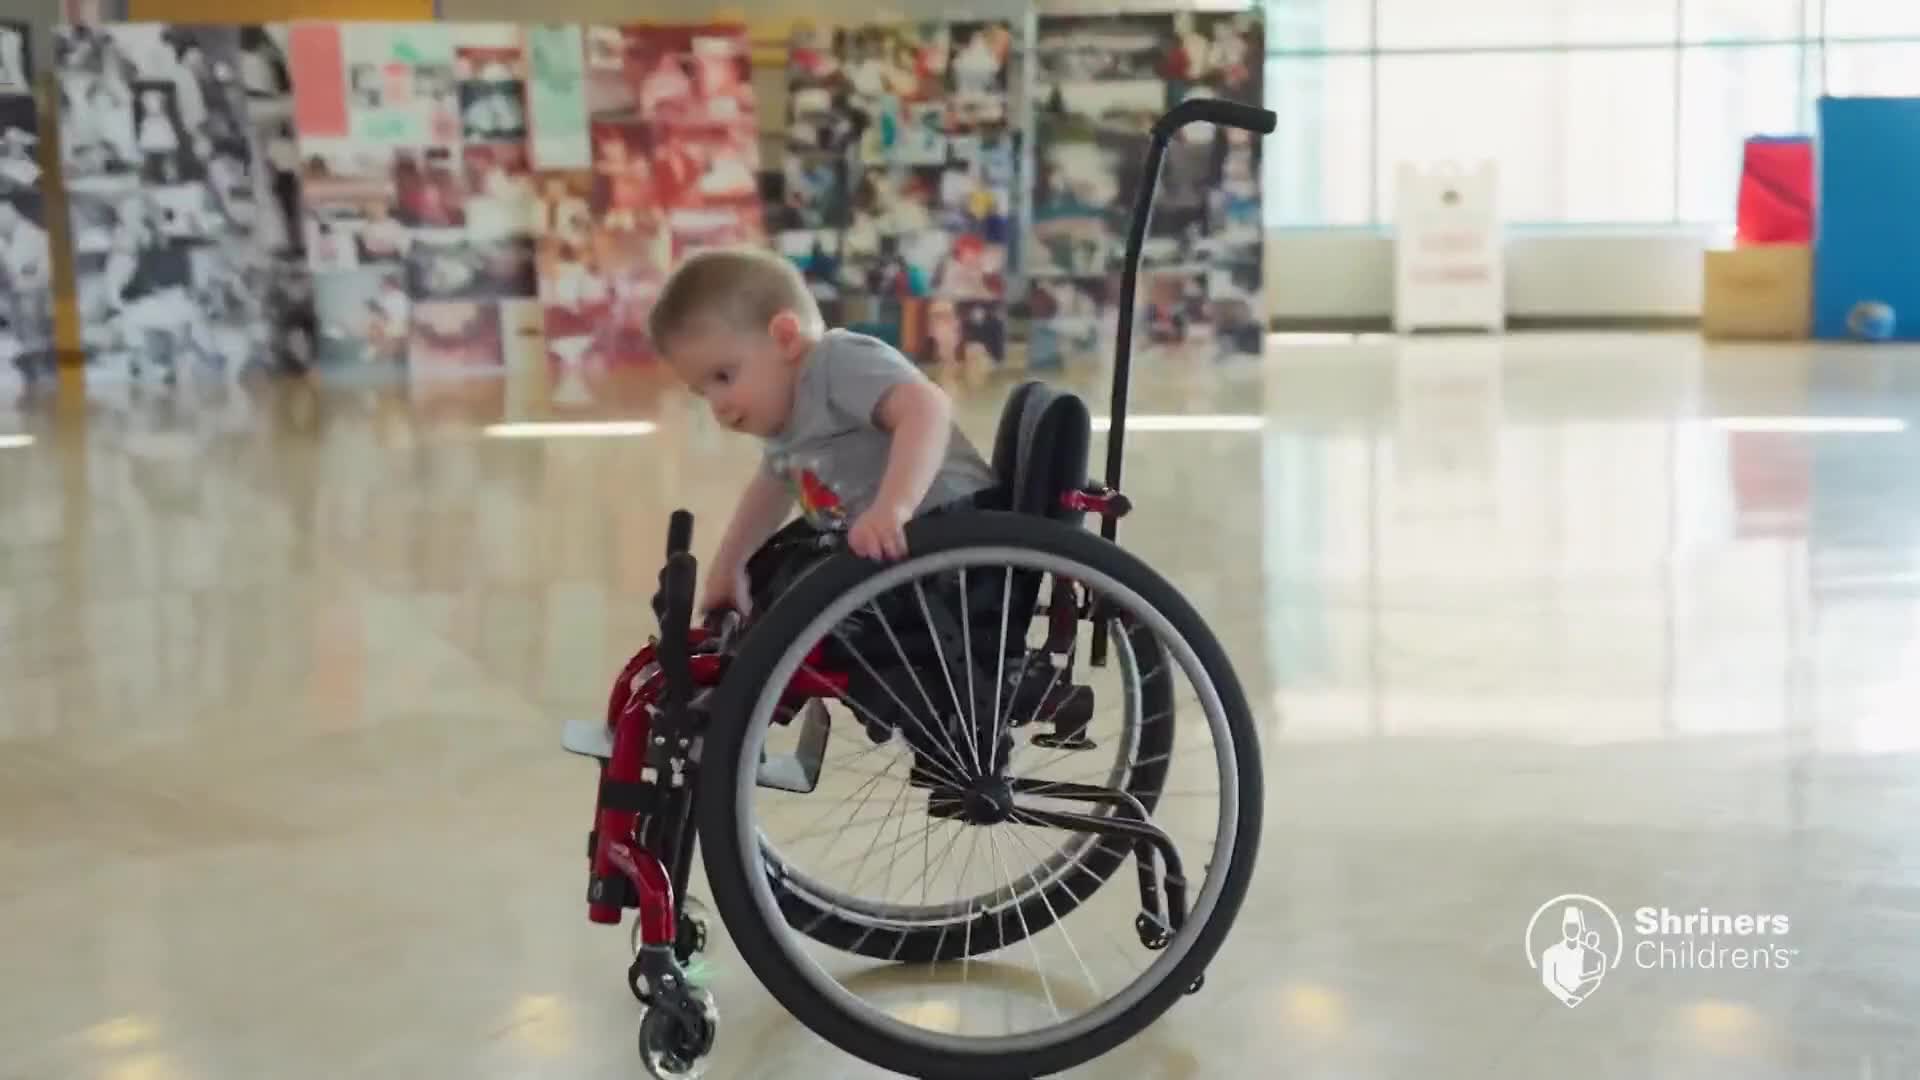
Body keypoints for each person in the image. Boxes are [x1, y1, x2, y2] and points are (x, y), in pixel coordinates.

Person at [645, 247, 996, 620]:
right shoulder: (786, 419)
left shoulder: (837, 363)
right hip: (895, 551)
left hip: (950, 534)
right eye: (703, 392)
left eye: (724, 377)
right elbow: (770, 487)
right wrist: (730, 565)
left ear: (784, 337)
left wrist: (894, 506)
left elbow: (928, 408)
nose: (718, 404)